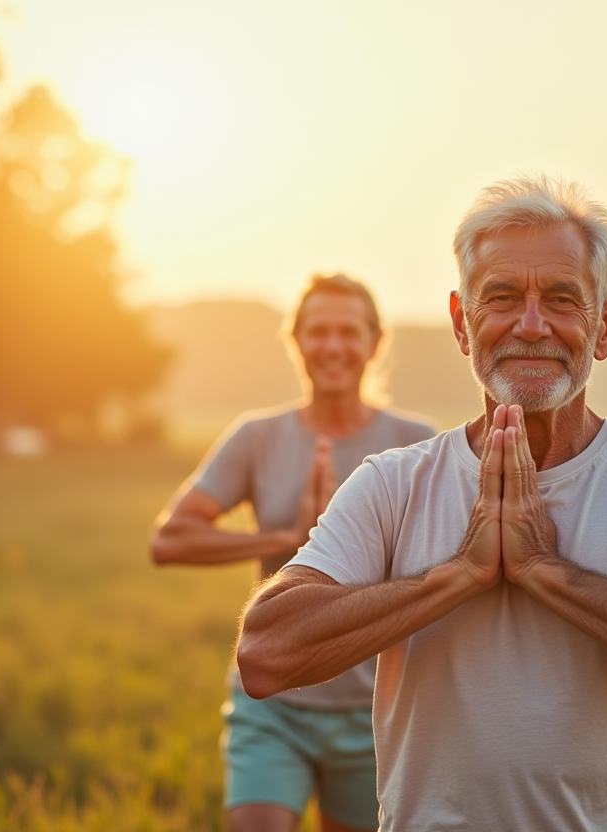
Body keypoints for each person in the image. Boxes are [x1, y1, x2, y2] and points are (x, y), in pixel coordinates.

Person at [235, 175, 607, 831]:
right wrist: (457, 575)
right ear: (463, 323)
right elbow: (266, 653)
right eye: (503, 297)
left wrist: (548, 570)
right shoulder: (393, 484)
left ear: (606, 326)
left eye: (563, 298)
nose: (532, 324)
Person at [150, 274, 435, 832]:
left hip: (375, 710)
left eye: (348, 332)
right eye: (318, 331)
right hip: (271, 704)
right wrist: (291, 538)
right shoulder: (258, 437)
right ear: (297, 341)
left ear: (375, 343)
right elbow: (170, 539)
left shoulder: (415, 441)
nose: (333, 346)